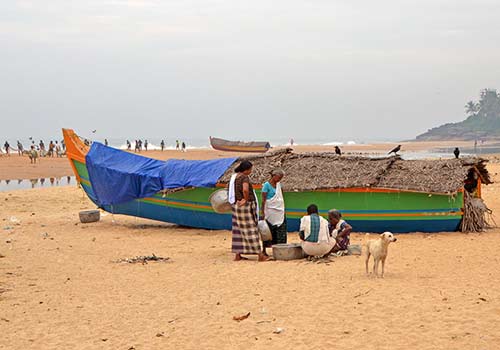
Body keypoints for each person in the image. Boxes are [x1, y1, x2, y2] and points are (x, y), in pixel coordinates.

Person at [230, 160, 269, 262]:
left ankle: (238, 255)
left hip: (237, 206)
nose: (251, 171)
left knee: (238, 231)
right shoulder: (244, 178)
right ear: (246, 170)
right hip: (245, 207)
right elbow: (245, 190)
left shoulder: (236, 177)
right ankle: (260, 255)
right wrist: (245, 200)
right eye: (250, 169)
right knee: (251, 230)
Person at [260, 169, 287, 255]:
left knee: (280, 232)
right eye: (279, 177)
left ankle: (279, 250)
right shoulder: (266, 186)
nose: (279, 180)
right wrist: (263, 212)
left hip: (280, 212)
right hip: (270, 211)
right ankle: (264, 250)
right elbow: (263, 200)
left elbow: (281, 198)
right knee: (267, 232)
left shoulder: (279, 185)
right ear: (274, 176)